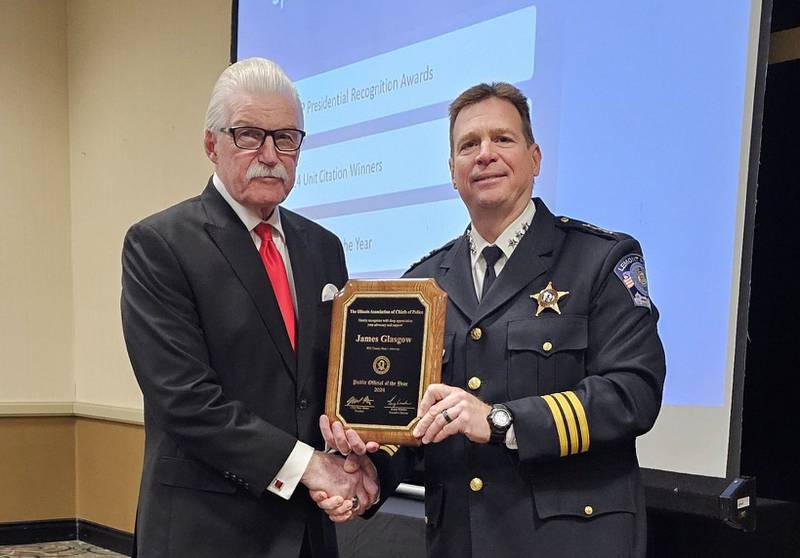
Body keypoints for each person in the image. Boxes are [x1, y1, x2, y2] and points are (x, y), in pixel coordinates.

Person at [317, 82, 666, 558]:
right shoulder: (422, 284)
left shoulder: (601, 261)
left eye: (502, 139)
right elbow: (412, 422)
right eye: (468, 145)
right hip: (460, 541)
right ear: (453, 173)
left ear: (535, 158)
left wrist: (501, 420)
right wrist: (373, 472)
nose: (485, 155)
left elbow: (633, 394)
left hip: (570, 542)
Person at [121, 57, 377, 558]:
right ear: (211, 144)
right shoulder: (159, 244)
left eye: (286, 138)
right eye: (248, 135)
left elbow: (335, 382)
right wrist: (310, 466)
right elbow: (185, 400)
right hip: (207, 531)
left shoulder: (323, 248)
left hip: (306, 530)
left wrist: (359, 460)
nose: (270, 154)